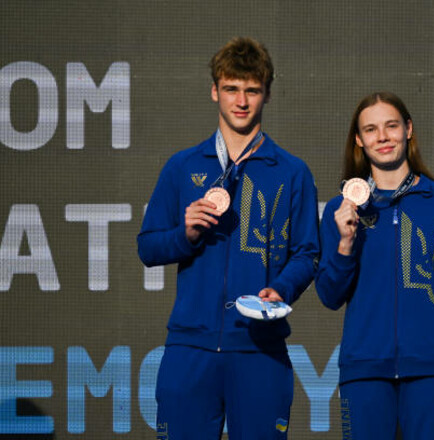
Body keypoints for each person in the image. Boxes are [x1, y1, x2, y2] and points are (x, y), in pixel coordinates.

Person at [137, 37, 319, 439]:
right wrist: (184, 235)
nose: (241, 101)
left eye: (252, 90)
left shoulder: (291, 171)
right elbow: (147, 247)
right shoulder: (182, 166)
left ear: (267, 94)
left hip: (260, 349)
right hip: (190, 348)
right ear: (215, 90)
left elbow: (308, 253)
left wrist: (282, 287)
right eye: (232, 88)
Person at [315, 92, 434, 439]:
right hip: (364, 371)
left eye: (391, 126)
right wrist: (346, 242)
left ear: (408, 129)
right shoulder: (341, 209)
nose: (383, 137)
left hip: (430, 370)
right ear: (360, 140)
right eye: (371, 129)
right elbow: (329, 295)